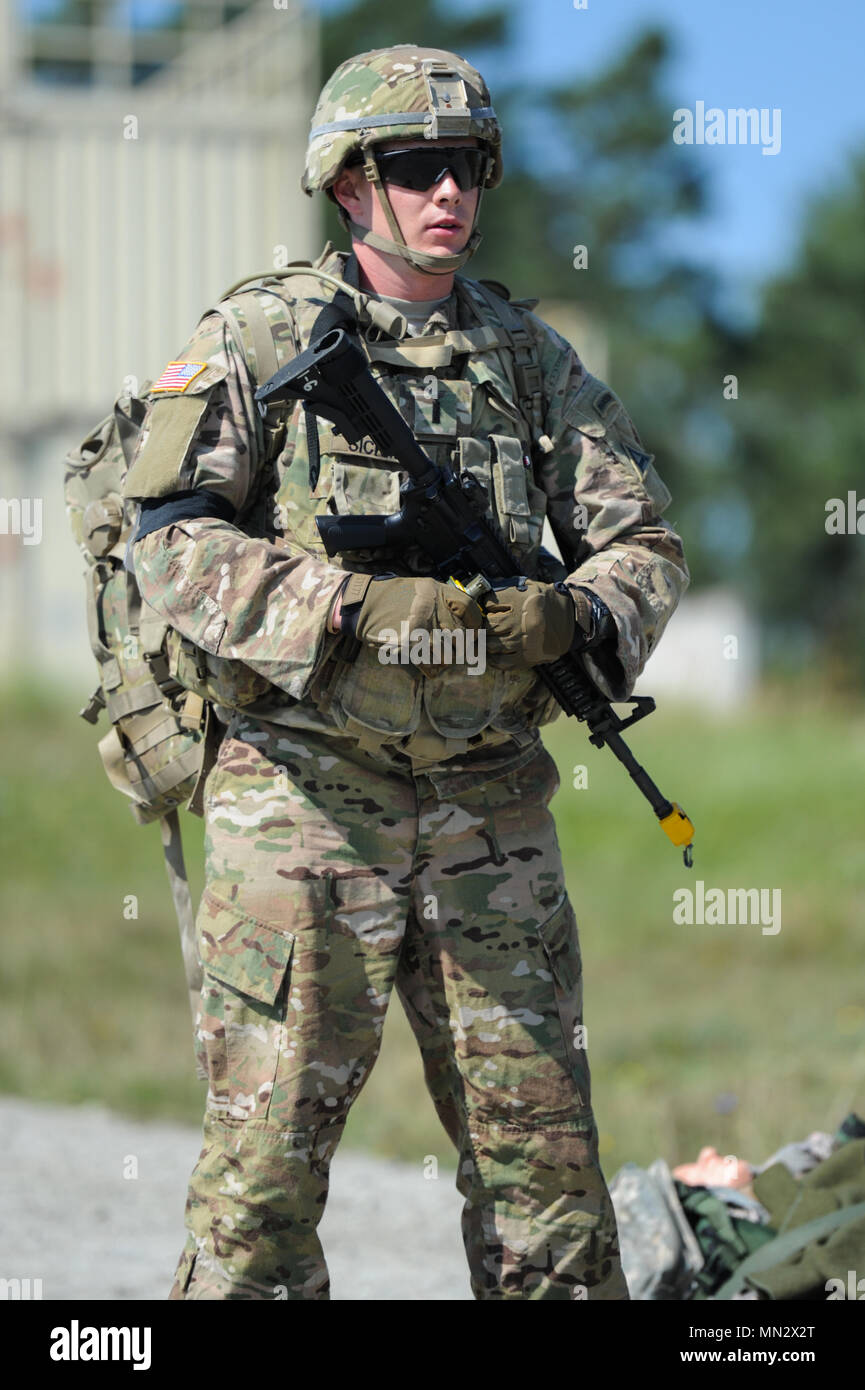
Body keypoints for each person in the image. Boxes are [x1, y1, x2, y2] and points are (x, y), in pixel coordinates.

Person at [122, 44, 689, 1301]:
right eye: (415, 166)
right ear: (346, 182)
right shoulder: (258, 335)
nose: (449, 192)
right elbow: (173, 544)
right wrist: (355, 611)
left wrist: (573, 620)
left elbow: (643, 538)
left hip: (490, 808)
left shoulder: (524, 356)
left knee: (548, 1187)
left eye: (468, 165)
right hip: (303, 805)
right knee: (260, 1187)